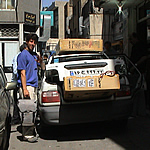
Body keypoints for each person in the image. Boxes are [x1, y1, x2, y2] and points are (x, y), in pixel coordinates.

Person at [17, 34, 41, 143]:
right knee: (27, 112)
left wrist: (40, 60)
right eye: (31, 41)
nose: (33, 44)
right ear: (27, 41)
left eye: (34, 42)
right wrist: (25, 89)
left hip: (34, 86)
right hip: (28, 86)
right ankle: (27, 135)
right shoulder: (23, 55)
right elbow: (22, 73)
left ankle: (31, 132)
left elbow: (42, 67)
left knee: (33, 112)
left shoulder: (34, 56)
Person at [11, 43, 27, 125]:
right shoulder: (19, 57)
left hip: (20, 82)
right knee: (18, 102)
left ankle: (18, 118)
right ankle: (17, 118)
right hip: (17, 82)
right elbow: (15, 71)